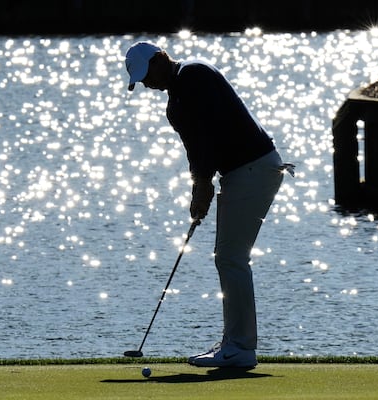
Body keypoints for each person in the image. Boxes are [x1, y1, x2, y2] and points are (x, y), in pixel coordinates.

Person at [125, 41, 291, 368]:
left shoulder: (194, 75)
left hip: (253, 167)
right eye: (141, 81)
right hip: (242, 171)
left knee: (230, 257)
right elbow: (196, 148)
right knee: (229, 257)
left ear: (161, 58)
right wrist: (199, 186)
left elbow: (210, 132)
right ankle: (235, 343)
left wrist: (203, 185)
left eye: (147, 75)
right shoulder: (175, 104)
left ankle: (240, 347)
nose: (147, 84)